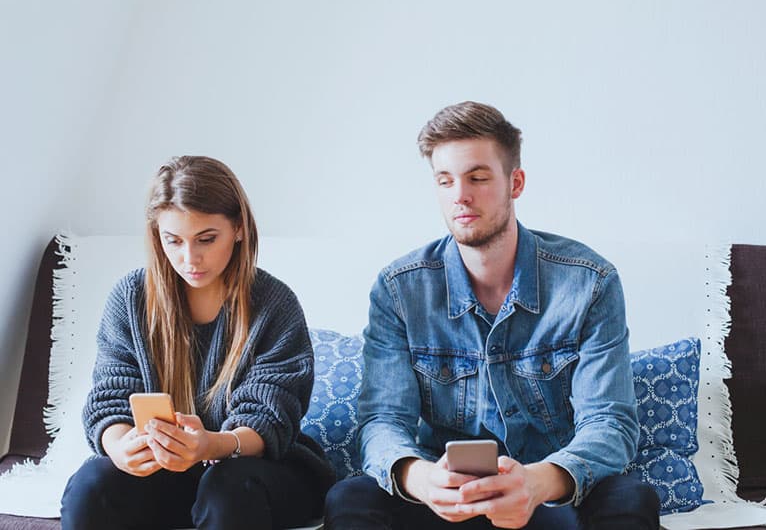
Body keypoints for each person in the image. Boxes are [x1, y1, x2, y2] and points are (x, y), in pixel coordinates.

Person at [325, 102, 660, 529]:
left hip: (549, 492)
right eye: (445, 181)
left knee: (630, 499)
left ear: (514, 182)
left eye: (477, 178)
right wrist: (424, 479)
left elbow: (610, 421)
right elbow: (382, 421)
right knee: (350, 498)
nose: (460, 195)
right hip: (443, 500)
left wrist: (538, 482)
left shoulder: (590, 283)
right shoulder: (399, 289)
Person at [61, 156, 334, 529]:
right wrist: (121, 448)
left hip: (259, 473)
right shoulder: (131, 298)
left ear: (238, 228)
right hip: (167, 474)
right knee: (92, 485)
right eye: (173, 241)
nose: (190, 259)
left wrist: (211, 445)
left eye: (207, 239)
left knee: (226, 487)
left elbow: (270, 417)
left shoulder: (274, 305)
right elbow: (110, 398)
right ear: (157, 236)